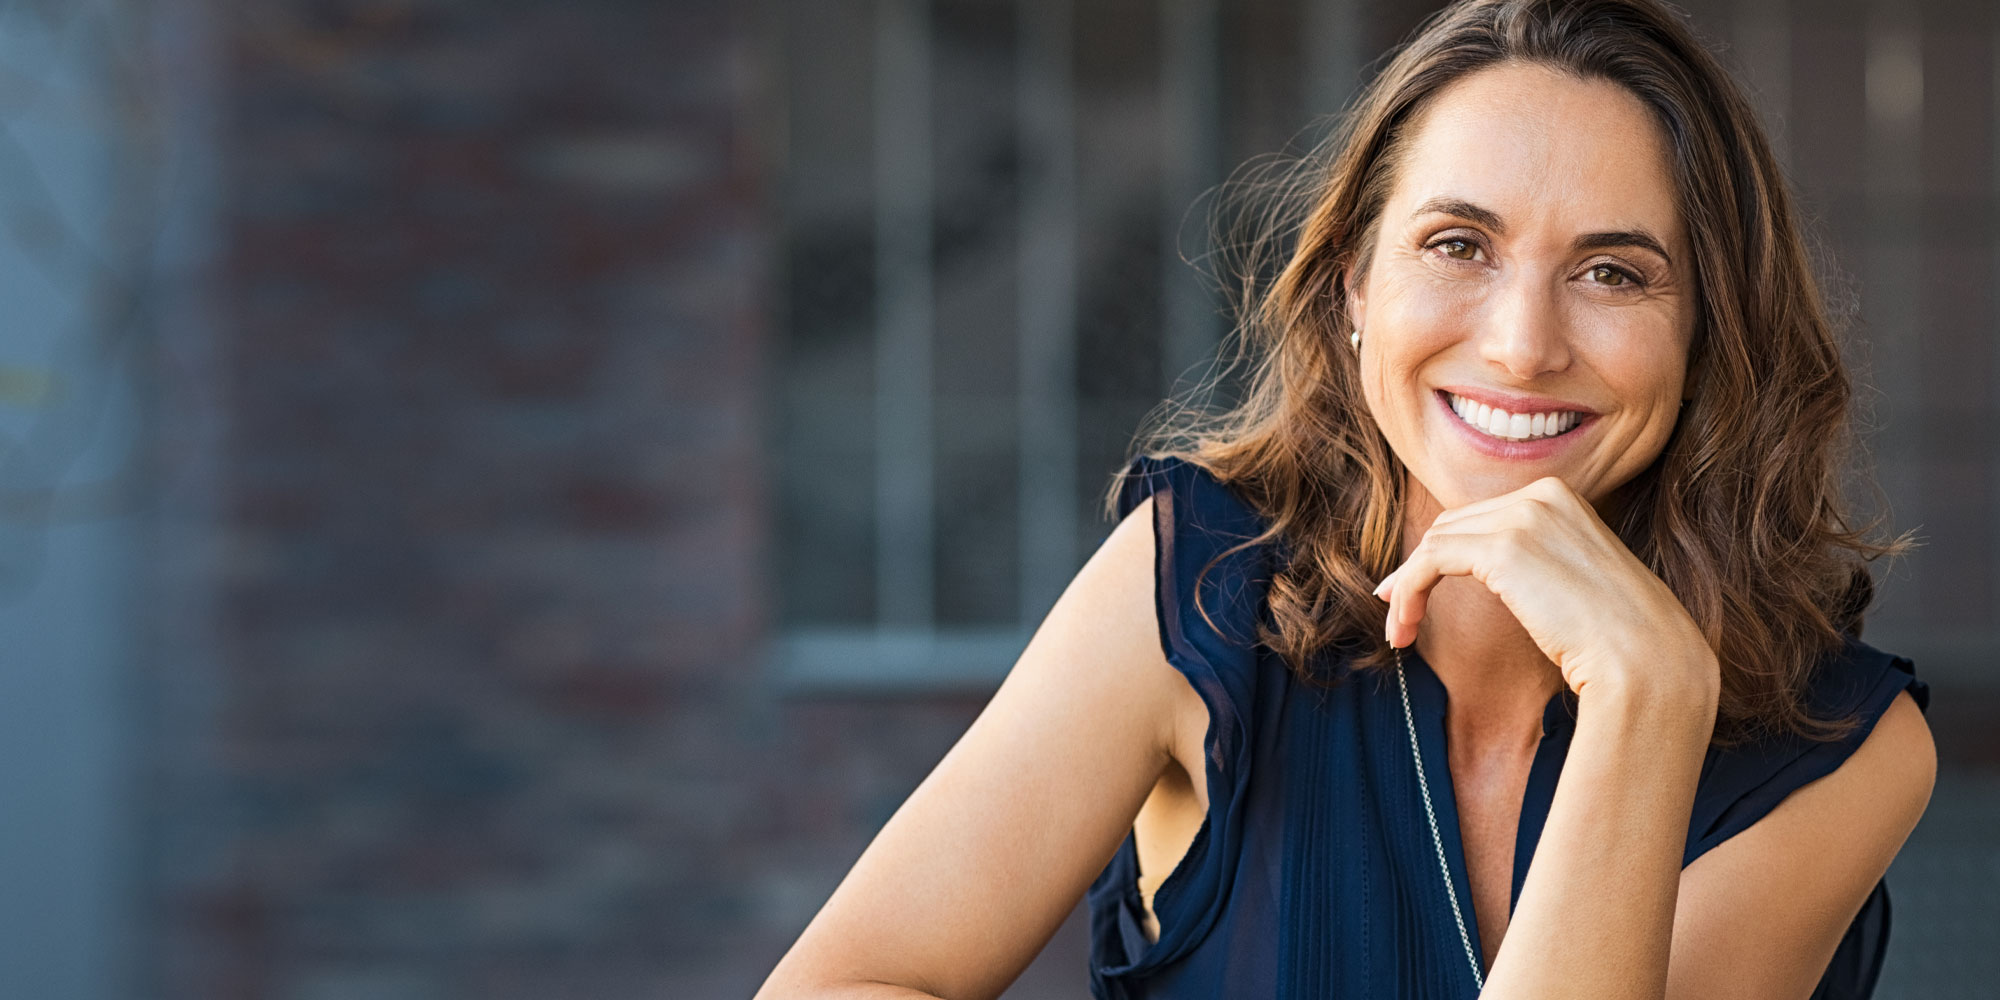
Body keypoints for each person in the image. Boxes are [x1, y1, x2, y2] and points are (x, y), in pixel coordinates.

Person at [755, 0, 1937, 997]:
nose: (1521, 347)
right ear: (1352, 289)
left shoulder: (1845, 745)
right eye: (1456, 246)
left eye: (1612, 272)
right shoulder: (1197, 583)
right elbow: (843, 981)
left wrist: (1645, 699)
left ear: (1705, 334)